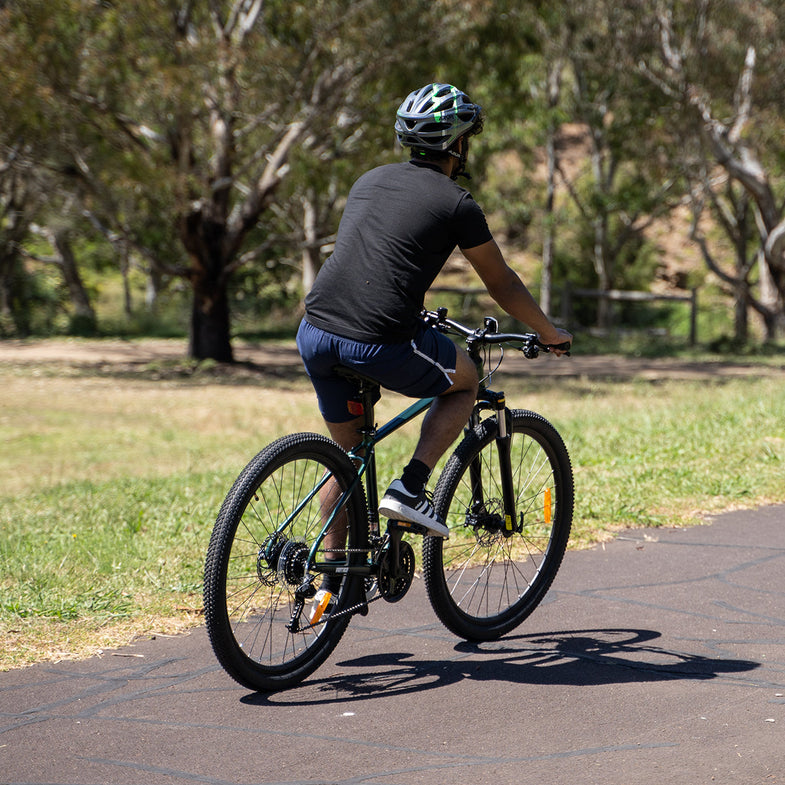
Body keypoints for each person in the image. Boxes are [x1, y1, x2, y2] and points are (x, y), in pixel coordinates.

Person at [297, 82, 572, 548]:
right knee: (466, 379)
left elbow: (378, 259)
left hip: (315, 331)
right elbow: (501, 282)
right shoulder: (457, 203)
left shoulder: (369, 180)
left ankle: (329, 586)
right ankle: (410, 487)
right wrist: (549, 332)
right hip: (378, 339)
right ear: (459, 143)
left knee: (348, 459)